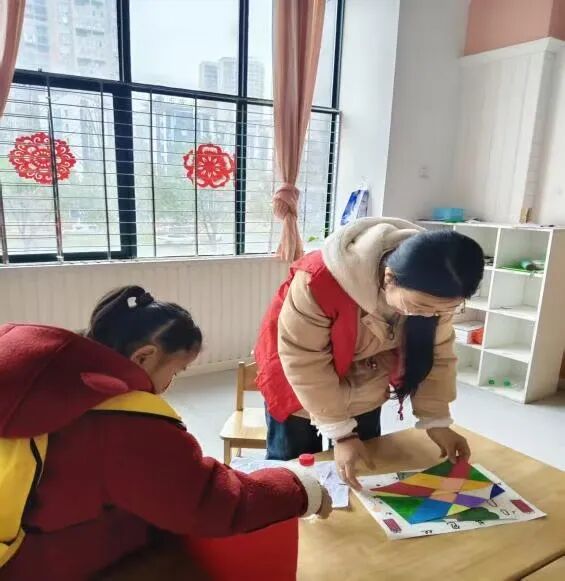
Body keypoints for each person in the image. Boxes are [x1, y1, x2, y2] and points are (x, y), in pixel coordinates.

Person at [0, 286, 331, 580]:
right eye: (176, 371)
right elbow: (210, 503)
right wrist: (298, 487)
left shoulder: (41, 367)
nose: (170, 384)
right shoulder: (122, 420)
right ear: (144, 356)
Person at [254, 218, 484, 489]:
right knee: (295, 469)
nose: (428, 316)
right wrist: (341, 434)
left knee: (366, 469)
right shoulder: (319, 279)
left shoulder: (438, 291)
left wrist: (436, 421)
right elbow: (304, 361)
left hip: (368, 378)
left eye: (440, 311)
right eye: (420, 307)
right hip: (296, 378)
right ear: (389, 278)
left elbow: (438, 355)